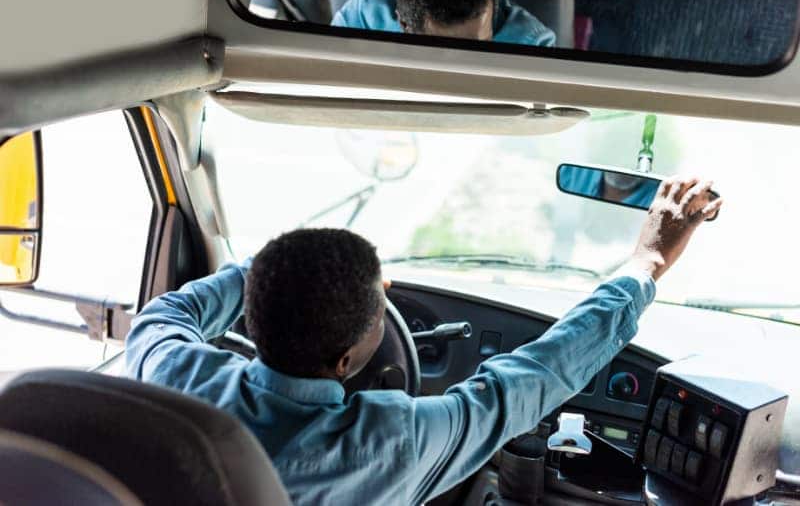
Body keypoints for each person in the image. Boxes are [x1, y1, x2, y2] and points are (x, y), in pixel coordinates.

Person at [126, 177, 722, 505]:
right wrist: (646, 262)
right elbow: (535, 378)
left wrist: (280, 271)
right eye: (377, 318)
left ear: (251, 319)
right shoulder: (391, 443)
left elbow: (163, 313)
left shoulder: (173, 374)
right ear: (348, 360)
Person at [331, 0, 556, 46]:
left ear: (493, 7)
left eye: (479, 47)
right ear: (404, 25)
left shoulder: (532, 43)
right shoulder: (362, 18)